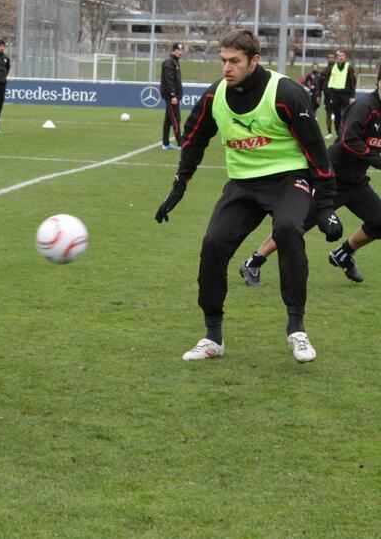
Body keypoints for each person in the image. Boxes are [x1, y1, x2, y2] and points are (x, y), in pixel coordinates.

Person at [154, 29, 342, 364]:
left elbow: (316, 149)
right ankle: (212, 337)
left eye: (234, 61)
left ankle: (297, 330)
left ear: (254, 60)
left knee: (287, 229)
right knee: (213, 244)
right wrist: (179, 185)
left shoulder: (285, 92)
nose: (227, 67)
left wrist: (325, 204)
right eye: (223, 60)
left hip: (288, 179)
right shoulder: (216, 96)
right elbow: (194, 139)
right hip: (242, 184)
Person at [240, 63, 381, 286]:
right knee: (297, 225)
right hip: (330, 179)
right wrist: (376, 159)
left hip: (357, 183)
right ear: (378, 82)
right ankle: (253, 262)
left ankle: (343, 254)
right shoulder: (365, 107)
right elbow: (348, 139)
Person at [323, 50, 357, 140]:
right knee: (337, 115)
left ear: (345, 57)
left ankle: (346, 132)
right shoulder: (332, 67)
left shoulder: (349, 67)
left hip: (346, 94)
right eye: (339, 56)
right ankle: (338, 134)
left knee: (346, 114)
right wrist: (328, 92)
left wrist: (352, 96)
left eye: (342, 55)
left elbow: (353, 82)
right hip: (335, 94)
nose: (341, 57)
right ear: (337, 57)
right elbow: (324, 77)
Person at [160, 42, 185, 150]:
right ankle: (180, 143)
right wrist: (173, 95)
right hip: (171, 97)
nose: (180, 52)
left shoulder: (175, 61)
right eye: (178, 50)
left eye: (181, 50)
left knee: (168, 120)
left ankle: (165, 143)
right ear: (173, 50)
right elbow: (169, 80)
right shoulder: (169, 62)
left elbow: (176, 81)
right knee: (176, 118)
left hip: (174, 96)